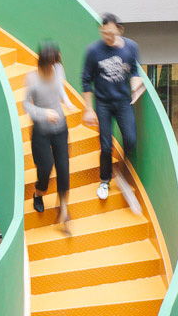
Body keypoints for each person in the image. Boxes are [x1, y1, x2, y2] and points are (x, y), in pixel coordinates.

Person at [81, 13, 144, 213]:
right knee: (106, 145)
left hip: (123, 102)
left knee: (131, 140)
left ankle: (121, 172)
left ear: (119, 29)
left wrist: (136, 85)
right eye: (104, 33)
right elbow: (86, 80)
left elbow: (135, 71)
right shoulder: (93, 51)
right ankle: (105, 180)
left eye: (110, 33)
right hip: (103, 104)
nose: (107, 36)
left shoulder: (131, 47)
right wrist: (89, 109)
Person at [23, 43, 72, 236]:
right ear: (42, 63)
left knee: (63, 168)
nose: (52, 68)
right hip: (41, 130)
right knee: (45, 168)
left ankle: (64, 210)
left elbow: (60, 88)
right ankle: (38, 193)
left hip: (60, 128)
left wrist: (67, 102)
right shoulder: (32, 79)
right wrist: (44, 113)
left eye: (54, 63)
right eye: (49, 64)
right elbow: (26, 105)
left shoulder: (58, 70)